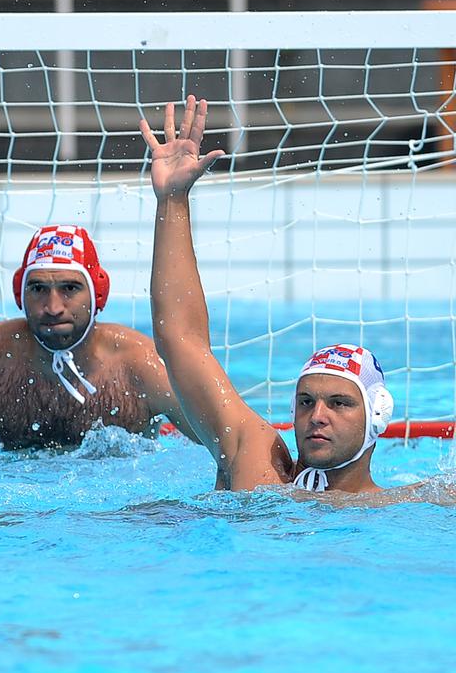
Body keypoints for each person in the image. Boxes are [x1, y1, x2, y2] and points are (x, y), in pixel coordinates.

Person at [142, 95, 397, 494]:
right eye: (306, 402)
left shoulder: (408, 505)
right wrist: (172, 201)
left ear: (378, 413)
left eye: (340, 403)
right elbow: (181, 341)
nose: (318, 416)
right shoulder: (258, 464)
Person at [0, 224, 203, 450]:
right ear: (20, 293)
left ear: (97, 294)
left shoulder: (141, 366)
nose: (53, 306)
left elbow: (230, 442)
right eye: (38, 289)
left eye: (70, 289)